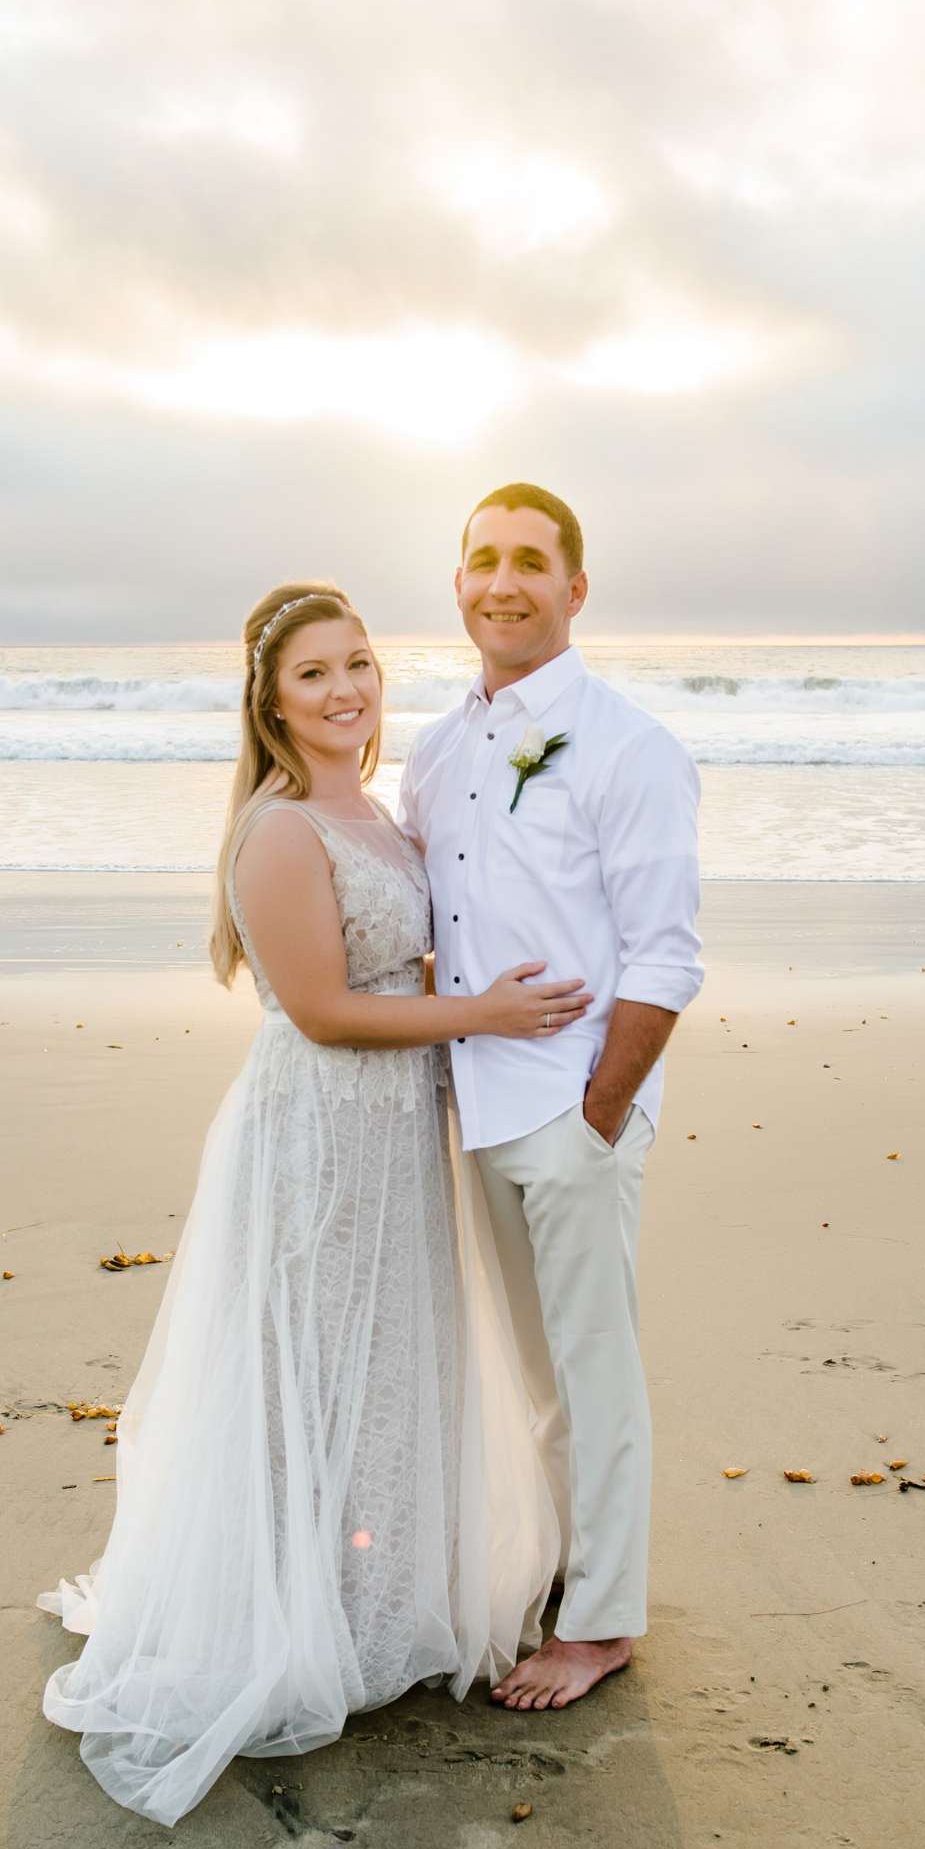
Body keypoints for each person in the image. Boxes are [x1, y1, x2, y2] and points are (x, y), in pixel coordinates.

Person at [37, 580, 581, 1824]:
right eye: (315, 676)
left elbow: (394, 965)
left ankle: (368, 1596)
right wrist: (485, 1013)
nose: (347, 691)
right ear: (272, 706)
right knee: (309, 1361)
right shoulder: (281, 832)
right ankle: (290, 1615)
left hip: (398, 1133)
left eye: (361, 665)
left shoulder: (377, 817)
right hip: (324, 1136)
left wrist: (484, 992)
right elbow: (329, 1015)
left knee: (385, 1362)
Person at [398, 484, 704, 1713]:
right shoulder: (434, 749)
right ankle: (559, 1571)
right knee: (525, 1373)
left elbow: (666, 954)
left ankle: (604, 1622)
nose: (503, 583)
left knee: (591, 1370)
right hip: (470, 1107)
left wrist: (601, 1110)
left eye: (531, 562)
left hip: (570, 1111)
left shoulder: (628, 746)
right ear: (458, 582)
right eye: (482, 560)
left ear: (576, 589)